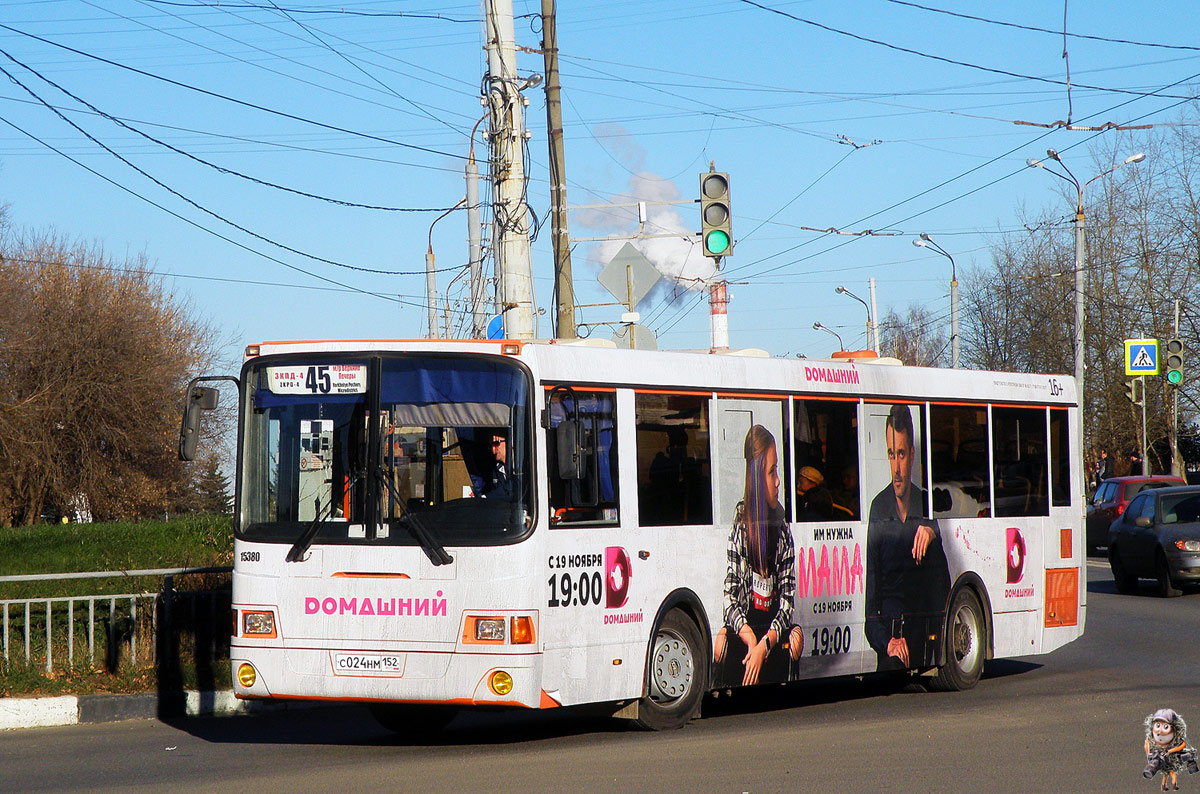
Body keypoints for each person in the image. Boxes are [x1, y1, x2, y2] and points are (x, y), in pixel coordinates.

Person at [714, 425, 803, 686]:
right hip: (749, 632)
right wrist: (750, 637)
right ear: (755, 478)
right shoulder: (741, 525)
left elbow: (787, 603)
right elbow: (730, 597)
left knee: (796, 637)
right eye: (771, 471)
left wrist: (764, 645)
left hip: (772, 635)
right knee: (720, 639)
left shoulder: (782, 529)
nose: (778, 481)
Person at [865, 404, 951, 672]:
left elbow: (943, 593)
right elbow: (870, 609)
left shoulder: (926, 504)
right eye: (891, 455)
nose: (897, 467)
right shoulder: (878, 508)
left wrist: (932, 530)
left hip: (923, 640)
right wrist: (887, 642)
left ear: (911, 455)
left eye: (901, 454)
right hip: (891, 646)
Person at [480, 430, 512, 499]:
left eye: (496, 443)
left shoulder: (518, 468)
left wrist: (485, 497)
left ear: (509, 442)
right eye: (491, 445)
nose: (493, 450)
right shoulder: (496, 470)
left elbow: (511, 491)